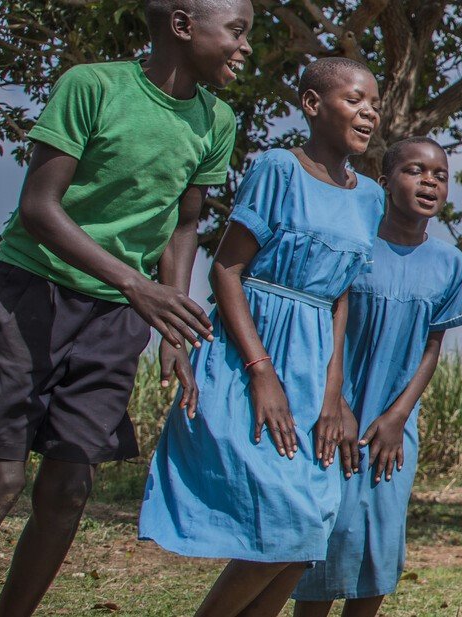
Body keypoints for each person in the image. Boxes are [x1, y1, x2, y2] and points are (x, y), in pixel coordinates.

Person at [0, 1, 248, 613]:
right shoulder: (93, 86)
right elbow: (38, 207)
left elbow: (184, 224)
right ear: (184, 25)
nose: (245, 48)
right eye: (237, 32)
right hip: (29, 292)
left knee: (69, 487)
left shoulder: (217, 120)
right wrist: (138, 287)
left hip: (114, 320)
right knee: (3, 478)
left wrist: (173, 322)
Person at [140, 57, 384, 614]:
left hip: (315, 361)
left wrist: (333, 393)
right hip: (255, 352)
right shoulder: (278, 168)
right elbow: (227, 270)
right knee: (284, 521)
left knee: (306, 536)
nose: (368, 112)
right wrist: (261, 373)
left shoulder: (369, 196)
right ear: (312, 104)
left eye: (373, 103)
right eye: (354, 100)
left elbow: (340, 293)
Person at [291, 137, 462, 617]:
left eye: (440, 174)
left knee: (381, 532)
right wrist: (338, 404)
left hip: (394, 423)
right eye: (415, 171)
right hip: (331, 410)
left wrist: (398, 415)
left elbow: (433, 346)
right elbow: (324, 321)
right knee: (327, 528)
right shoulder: (353, 242)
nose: (429, 181)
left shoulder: (450, 263)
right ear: (385, 182)